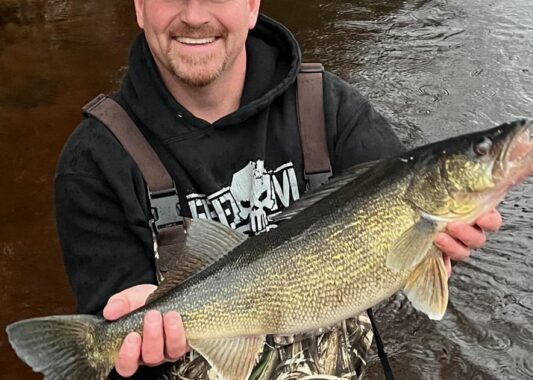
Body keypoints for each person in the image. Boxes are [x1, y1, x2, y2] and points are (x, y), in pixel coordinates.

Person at [54, 0, 503, 378]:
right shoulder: (93, 162)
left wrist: (441, 245)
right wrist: (126, 343)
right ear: (139, 7)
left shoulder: (329, 109)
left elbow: (405, 239)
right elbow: (114, 355)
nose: (194, 15)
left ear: (251, 5)